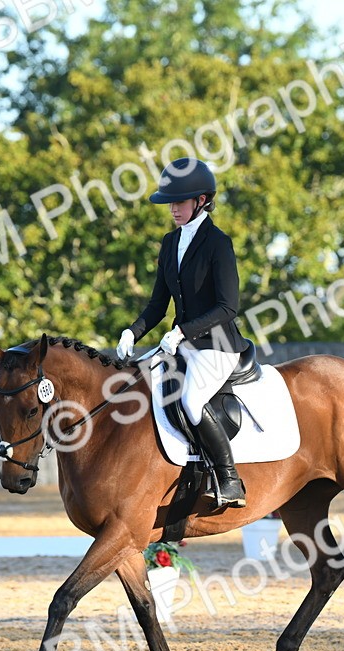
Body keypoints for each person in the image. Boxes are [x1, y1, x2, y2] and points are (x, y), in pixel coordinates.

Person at [116, 157, 248, 508]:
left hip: (216, 344)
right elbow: (158, 304)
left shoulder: (218, 243)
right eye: (170, 203)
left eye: (179, 202)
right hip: (180, 344)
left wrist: (183, 332)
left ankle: (229, 479)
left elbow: (227, 307)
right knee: (138, 387)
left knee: (191, 400)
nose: (173, 209)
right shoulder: (169, 242)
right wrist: (133, 332)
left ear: (201, 201)